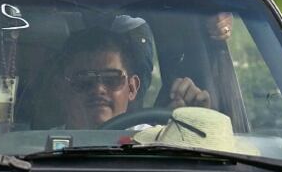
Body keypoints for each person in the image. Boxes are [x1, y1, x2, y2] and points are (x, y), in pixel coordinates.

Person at [60, 28, 210, 129]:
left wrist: (198, 122)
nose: (99, 89)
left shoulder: (158, 142)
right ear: (62, 89)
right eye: (84, 81)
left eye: (112, 79)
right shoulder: (46, 150)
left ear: (132, 88)